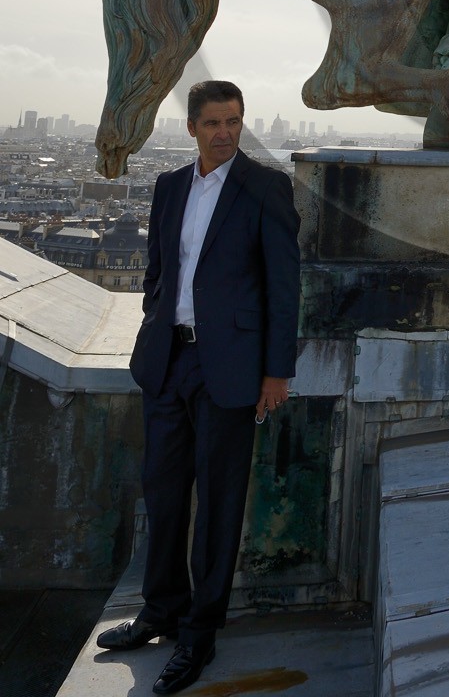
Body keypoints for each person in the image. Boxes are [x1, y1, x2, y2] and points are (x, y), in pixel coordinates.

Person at [97, 80, 300, 694]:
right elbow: (159, 272)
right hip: (169, 363)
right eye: (213, 123)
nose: (225, 133)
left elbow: (284, 287)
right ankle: (160, 611)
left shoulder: (266, 188)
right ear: (191, 128)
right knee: (161, 493)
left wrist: (276, 371)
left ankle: (200, 631)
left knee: (217, 503)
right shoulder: (168, 187)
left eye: (234, 122)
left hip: (232, 369)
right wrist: (157, 325)